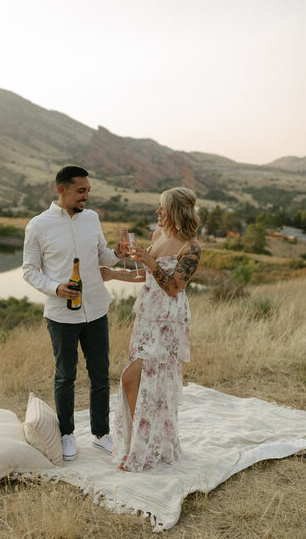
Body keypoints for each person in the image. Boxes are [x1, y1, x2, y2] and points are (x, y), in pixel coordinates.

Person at [23, 166, 125, 461]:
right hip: (60, 315)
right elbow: (29, 270)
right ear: (62, 190)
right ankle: (67, 434)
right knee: (65, 376)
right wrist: (55, 288)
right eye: (81, 191)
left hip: (96, 309)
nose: (86, 196)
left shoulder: (92, 218)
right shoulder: (38, 226)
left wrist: (116, 253)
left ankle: (101, 434)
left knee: (101, 375)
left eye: (88, 190)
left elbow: (101, 255)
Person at [101, 187, 201, 472]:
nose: (157, 212)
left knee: (137, 380)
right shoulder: (158, 236)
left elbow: (172, 287)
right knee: (139, 382)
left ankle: (143, 450)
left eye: (161, 208)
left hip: (168, 321)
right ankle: (142, 448)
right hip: (146, 315)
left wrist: (150, 261)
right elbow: (146, 275)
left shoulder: (191, 247)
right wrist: (113, 274)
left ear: (175, 212)